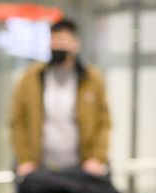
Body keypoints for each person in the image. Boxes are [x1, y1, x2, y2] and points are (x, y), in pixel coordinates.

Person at [10, 18, 111, 177]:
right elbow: (18, 121)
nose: (58, 45)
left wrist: (97, 158)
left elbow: (103, 123)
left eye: (63, 40)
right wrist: (25, 159)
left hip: (82, 167)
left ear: (75, 43)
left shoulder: (92, 79)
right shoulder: (32, 77)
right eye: (54, 40)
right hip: (40, 167)